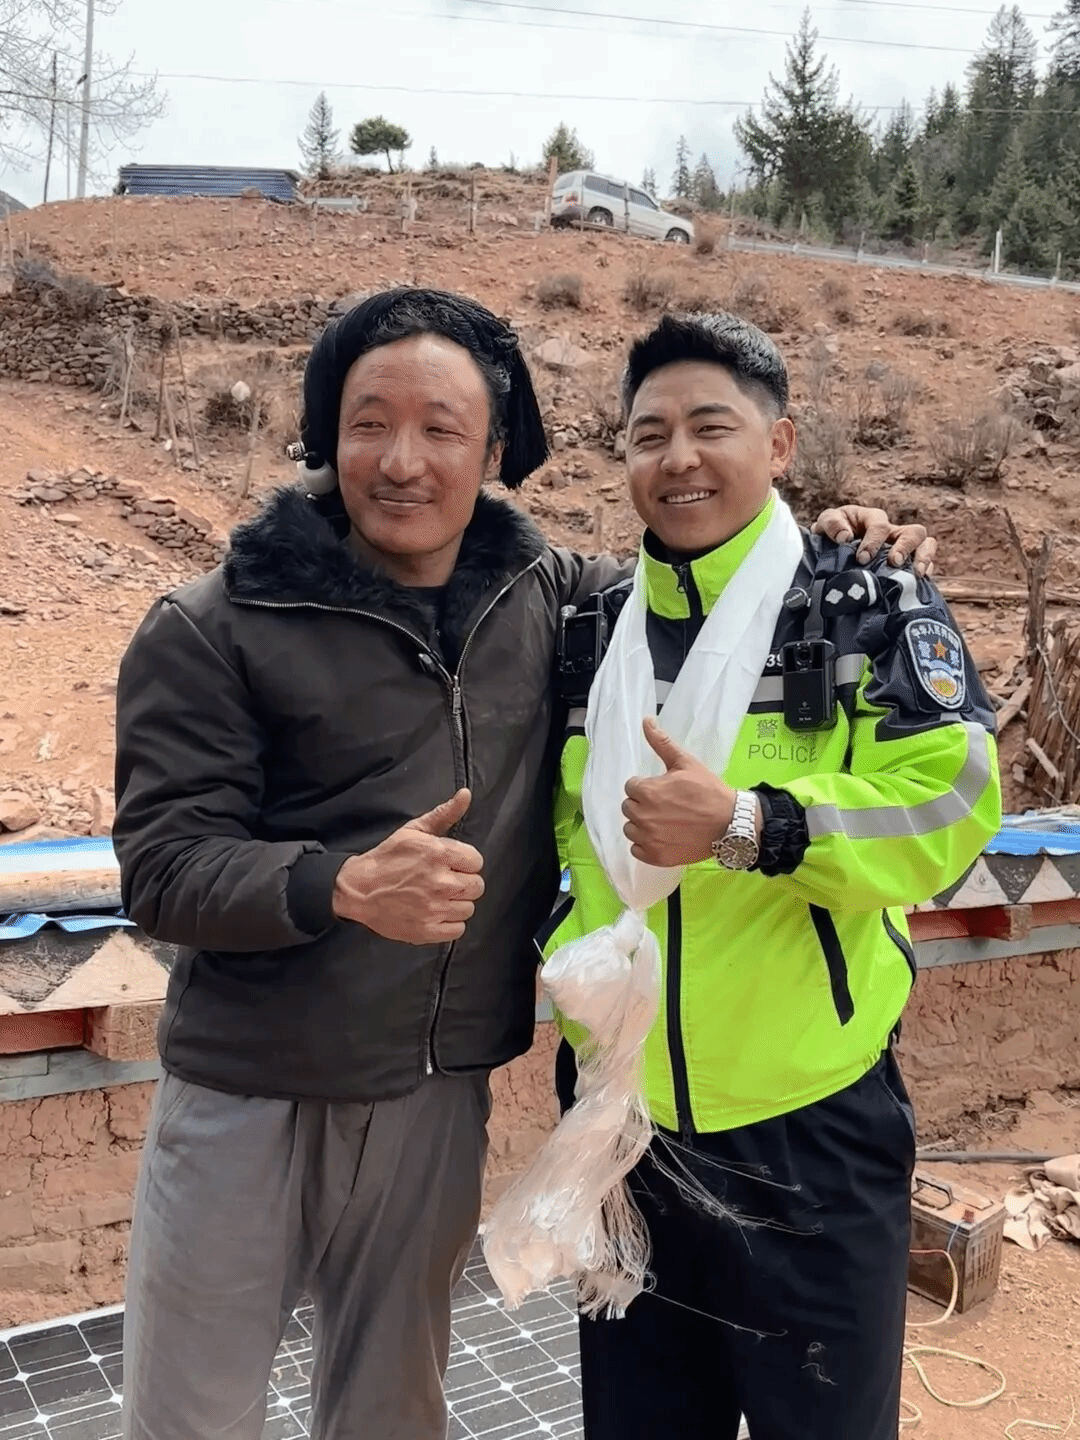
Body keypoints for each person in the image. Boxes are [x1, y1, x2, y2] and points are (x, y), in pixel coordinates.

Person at [111, 286, 936, 1440]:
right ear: (326, 436)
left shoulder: (553, 603)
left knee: (392, 1411)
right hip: (253, 1083)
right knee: (191, 1415)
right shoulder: (212, 625)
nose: (403, 461)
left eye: (441, 428)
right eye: (368, 424)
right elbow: (160, 866)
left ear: (495, 451)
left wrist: (839, 549)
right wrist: (338, 884)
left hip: (435, 1097)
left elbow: (707, 576)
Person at [546, 311, 1002, 1440]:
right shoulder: (593, 629)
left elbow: (952, 806)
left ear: (780, 444)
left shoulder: (865, 602)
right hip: (627, 1127)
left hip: (811, 1137)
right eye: (649, 435)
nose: (679, 458)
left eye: (712, 427)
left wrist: (755, 822)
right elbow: (565, 835)